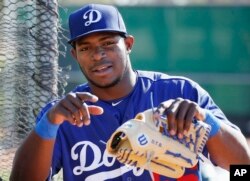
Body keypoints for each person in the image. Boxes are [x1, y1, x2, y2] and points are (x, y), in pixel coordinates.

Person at [10, 3, 250, 181]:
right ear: (75, 55)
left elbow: (243, 169)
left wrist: (207, 121)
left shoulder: (180, 93)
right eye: (86, 47)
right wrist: (48, 124)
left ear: (128, 45)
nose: (97, 55)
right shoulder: (63, 114)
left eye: (107, 43)